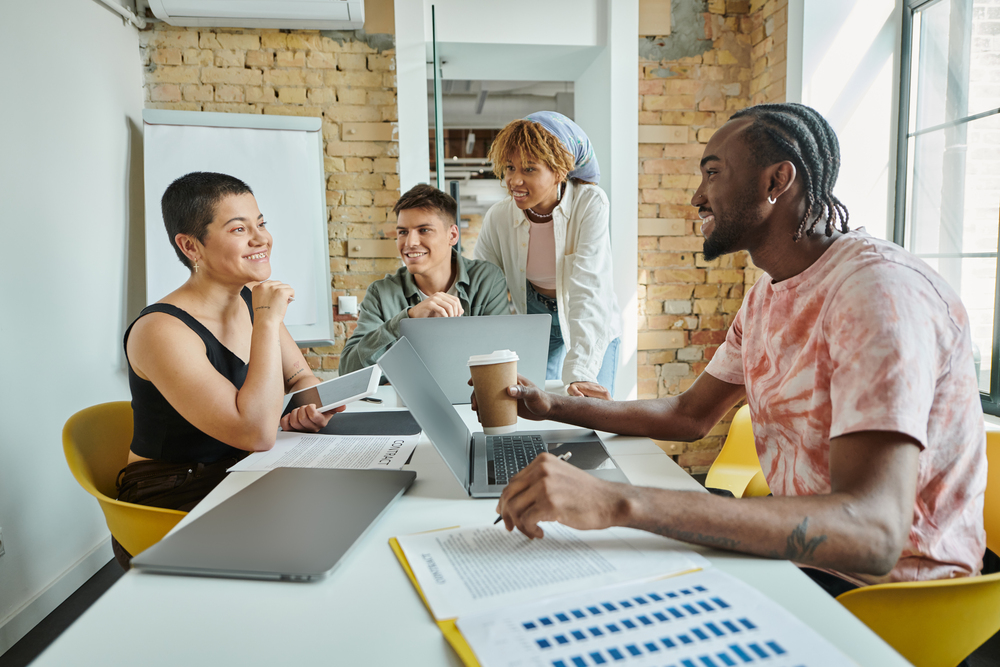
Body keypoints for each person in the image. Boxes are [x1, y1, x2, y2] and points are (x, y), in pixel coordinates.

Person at [488, 103, 987, 596]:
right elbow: (688, 415)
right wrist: (555, 405)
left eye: (713, 173)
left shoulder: (877, 293)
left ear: (776, 182)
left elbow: (873, 533)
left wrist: (618, 502)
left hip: (885, 592)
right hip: (808, 560)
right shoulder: (769, 294)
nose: (697, 196)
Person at [117, 172, 339, 568]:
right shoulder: (160, 330)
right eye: (239, 228)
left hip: (244, 468)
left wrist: (310, 408)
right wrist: (268, 321)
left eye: (261, 223)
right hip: (176, 491)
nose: (261, 238)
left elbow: (299, 377)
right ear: (190, 246)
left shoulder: (253, 303)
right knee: (319, 527)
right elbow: (254, 432)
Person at [475, 111, 623, 400]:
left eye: (529, 169)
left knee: (592, 410)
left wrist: (581, 373)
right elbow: (481, 288)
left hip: (588, 316)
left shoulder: (589, 203)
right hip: (536, 315)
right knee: (540, 407)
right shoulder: (498, 217)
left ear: (559, 171)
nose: (514, 180)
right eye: (509, 168)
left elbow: (588, 289)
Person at [339, 184, 510, 373]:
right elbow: (348, 370)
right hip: (401, 402)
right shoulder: (380, 293)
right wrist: (407, 319)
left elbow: (502, 360)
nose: (410, 243)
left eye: (424, 230)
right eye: (403, 232)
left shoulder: (487, 279)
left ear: (452, 235)